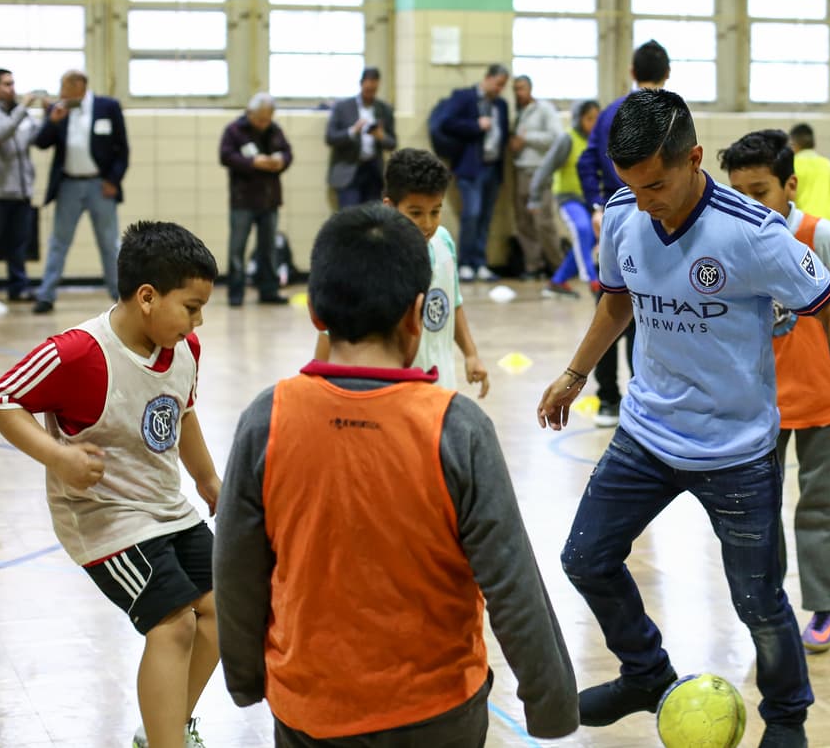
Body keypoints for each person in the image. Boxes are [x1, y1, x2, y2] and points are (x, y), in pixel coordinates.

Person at [538, 89, 830, 748]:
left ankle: (787, 718)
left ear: (694, 159)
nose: (645, 201)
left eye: (657, 185)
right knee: (585, 558)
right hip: (646, 435)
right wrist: (575, 372)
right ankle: (645, 673)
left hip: (736, 450)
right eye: (632, 185)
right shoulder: (624, 213)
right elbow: (617, 299)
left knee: (758, 601)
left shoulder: (753, 233)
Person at [215, 204, 578, 746]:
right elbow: (511, 577)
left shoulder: (266, 419)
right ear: (418, 313)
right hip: (438, 716)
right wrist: (551, 705)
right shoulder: (458, 427)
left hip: (309, 713)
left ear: (314, 312)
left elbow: (236, 566)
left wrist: (245, 678)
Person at [0, 221, 221, 748]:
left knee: (224, 609)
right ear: (147, 297)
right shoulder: (78, 353)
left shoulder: (185, 347)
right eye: (191, 307)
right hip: (105, 519)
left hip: (166, 507)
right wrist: (57, 456)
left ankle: (162, 731)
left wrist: (208, 479)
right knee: (174, 624)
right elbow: (0, 399)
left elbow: (182, 413)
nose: (198, 321)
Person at [721, 129, 830, 655]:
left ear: (789, 186)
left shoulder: (820, 235)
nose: (748, 203)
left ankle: (825, 605)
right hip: (758, 403)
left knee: (820, 504)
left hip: (822, 397)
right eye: (737, 192)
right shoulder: (729, 240)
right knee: (760, 508)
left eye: (759, 192)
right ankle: (771, 607)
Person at [313, 148, 489, 396]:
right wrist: (318, 388)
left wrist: (471, 354)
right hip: (393, 396)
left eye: (435, 211)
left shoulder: (444, 242)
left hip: (442, 390)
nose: (428, 224)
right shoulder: (370, 259)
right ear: (390, 207)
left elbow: (453, 303)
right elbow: (331, 333)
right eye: (415, 213)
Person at [577, 41, 670, 427]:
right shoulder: (673, 112)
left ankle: (607, 399)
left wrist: (598, 206)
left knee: (611, 307)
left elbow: (586, 161)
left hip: (614, 222)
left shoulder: (610, 112)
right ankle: (640, 395)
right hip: (659, 227)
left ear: (632, 72)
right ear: (668, 73)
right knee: (644, 312)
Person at [31, 69, 129, 314]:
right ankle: (46, 295)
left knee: (109, 242)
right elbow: (41, 143)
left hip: (100, 185)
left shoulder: (108, 107)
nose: (60, 91)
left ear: (79, 85)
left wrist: (113, 180)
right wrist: (52, 120)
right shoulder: (59, 109)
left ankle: (120, 295)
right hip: (68, 185)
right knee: (59, 242)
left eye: (64, 86)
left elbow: (122, 149)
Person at [436, 63, 510, 282]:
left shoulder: (501, 105)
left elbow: (504, 134)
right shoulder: (464, 97)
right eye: (498, 84)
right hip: (470, 168)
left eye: (503, 86)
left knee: (486, 217)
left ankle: (480, 262)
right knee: (472, 214)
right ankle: (465, 263)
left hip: (492, 167)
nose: (500, 89)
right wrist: (475, 125)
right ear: (487, 78)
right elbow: (446, 123)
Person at [218, 92, 292, 307]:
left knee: (268, 249)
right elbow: (225, 156)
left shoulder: (275, 130)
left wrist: (280, 161)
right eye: (260, 119)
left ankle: (269, 290)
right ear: (250, 113)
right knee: (237, 249)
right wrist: (252, 162)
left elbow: (287, 153)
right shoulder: (234, 130)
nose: (264, 124)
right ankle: (236, 293)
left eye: (268, 119)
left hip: (269, 200)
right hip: (243, 201)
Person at [530, 99, 601, 299]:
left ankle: (558, 281)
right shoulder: (567, 139)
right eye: (589, 118)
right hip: (568, 198)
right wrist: (535, 196)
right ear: (579, 118)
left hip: (590, 200)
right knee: (583, 229)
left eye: (597, 118)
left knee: (589, 239)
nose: (593, 123)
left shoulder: (597, 140)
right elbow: (546, 168)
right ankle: (592, 279)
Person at [0, 68, 39, 301]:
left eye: (13, 83)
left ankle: (18, 288)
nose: (12, 89)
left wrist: (51, 119)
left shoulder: (18, 113)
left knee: (18, 246)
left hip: (20, 192)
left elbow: (33, 137)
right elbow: (0, 133)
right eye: (7, 84)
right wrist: (22, 108)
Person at [510, 74, 563, 278]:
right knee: (524, 222)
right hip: (521, 171)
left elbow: (556, 137)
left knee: (543, 222)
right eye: (515, 89)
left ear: (530, 88)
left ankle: (559, 268)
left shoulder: (544, 109)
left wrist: (526, 139)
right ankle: (534, 266)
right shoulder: (518, 113)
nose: (518, 93)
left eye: (522, 88)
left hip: (540, 172)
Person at [325, 66, 397, 209]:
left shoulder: (384, 109)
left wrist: (381, 136)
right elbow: (330, 137)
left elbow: (393, 143)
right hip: (349, 171)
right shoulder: (342, 107)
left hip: (374, 172)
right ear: (361, 84)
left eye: (374, 89)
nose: (370, 92)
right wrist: (353, 131)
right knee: (350, 217)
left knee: (373, 218)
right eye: (368, 88)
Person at [788, 124, 830, 245]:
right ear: (814, 143)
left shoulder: (791, 166)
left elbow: (787, 199)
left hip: (803, 227)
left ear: (794, 144)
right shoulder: (828, 165)